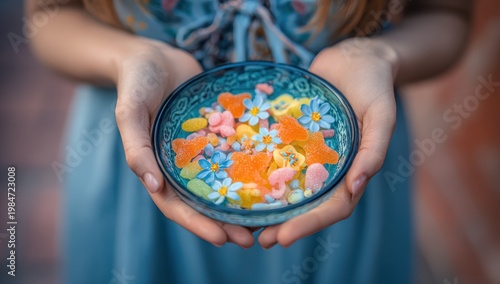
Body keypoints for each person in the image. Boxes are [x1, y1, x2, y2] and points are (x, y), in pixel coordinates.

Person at [27, 0, 471, 283]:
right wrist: (129, 57)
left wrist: (381, 55)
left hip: (344, 162)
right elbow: (47, 15)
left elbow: (447, 13)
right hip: (138, 160)